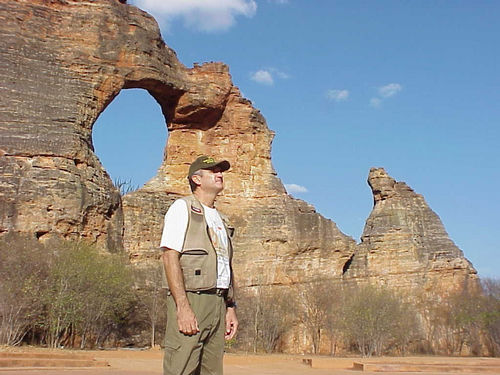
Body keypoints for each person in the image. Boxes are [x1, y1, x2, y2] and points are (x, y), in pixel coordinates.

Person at [160, 155, 238, 375]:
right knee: (181, 367)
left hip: (218, 303)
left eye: (221, 171)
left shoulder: (223, 220)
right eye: (213, 171)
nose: (220, 174)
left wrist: (230, 307)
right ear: (196, 179)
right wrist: (182, 306)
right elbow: (169, 256)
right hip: (193, 299)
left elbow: (226, 267)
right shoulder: (182, 208)